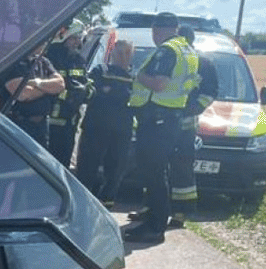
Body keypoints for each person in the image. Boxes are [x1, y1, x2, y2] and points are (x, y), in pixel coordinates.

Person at [124, 11, 199, 245]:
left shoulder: (168, 50)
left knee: (153, 173)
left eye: (155, 30)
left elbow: (159, 83)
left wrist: (137, 74)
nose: (154, 35)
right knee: (159, 173)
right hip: (170, 119)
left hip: (157, 119)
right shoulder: (187, 49)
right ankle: (155, 219)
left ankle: (155, 227)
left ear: (160, 29)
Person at [167, 25, 219, 228]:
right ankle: (152, 208)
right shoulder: (168, 58)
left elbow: (211, 90)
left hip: (186, 126)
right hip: (163, 122)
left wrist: (195, 108)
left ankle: (181, 213)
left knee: (182, 169)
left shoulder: (203, 63)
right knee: (157, 166)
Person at [75, 39, 135, 207]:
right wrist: (117, 93)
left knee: (116, 168)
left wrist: (111, 91)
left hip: (121, 131)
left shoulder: (134, 77)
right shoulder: (100, 71)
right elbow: (93, 93)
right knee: (88, 166)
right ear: (112, 54)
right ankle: (82, 200)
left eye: (127, 53)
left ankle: (107, 201)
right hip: (96, 127)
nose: (123, 57)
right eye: (120, 53)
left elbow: (134, 99)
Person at [0, 42, 65, 147]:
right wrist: (48, 89)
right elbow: (24, 94)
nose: (44, 44)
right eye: (43, 41)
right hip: (16, 125)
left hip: (41, 127)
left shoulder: (43, 62)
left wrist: (35, 83)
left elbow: (60, 84)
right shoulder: (11, 62)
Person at [46, 20, 91, 167]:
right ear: (64, 36)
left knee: (62, 166)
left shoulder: (79, 60)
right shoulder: (49, 56)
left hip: (70, 123)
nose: (77, 42)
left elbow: (85, 83)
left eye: (79, 38)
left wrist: (86, 92)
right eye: (74, 37)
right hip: (49, 122)